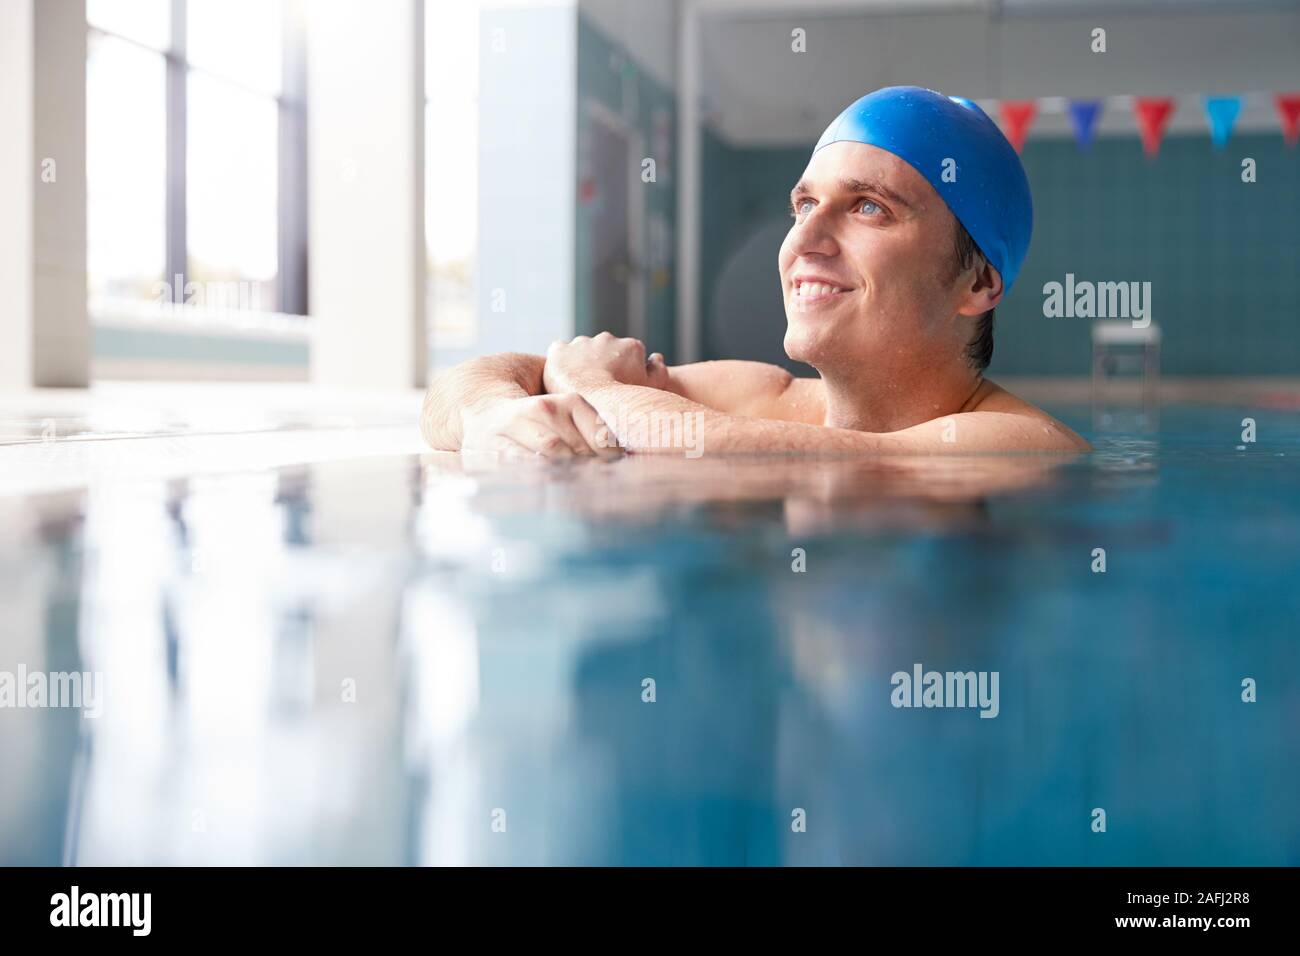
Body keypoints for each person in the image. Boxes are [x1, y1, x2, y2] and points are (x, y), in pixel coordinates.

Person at [422, 86, 1089, 457]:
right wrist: (492, 416)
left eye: (868, 207)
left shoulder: (1023, 445)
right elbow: (465, 384)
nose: (806, 239)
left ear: (977, 283)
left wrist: (595, 385)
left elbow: (838, 467)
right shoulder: (762, 398)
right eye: (805, 204)